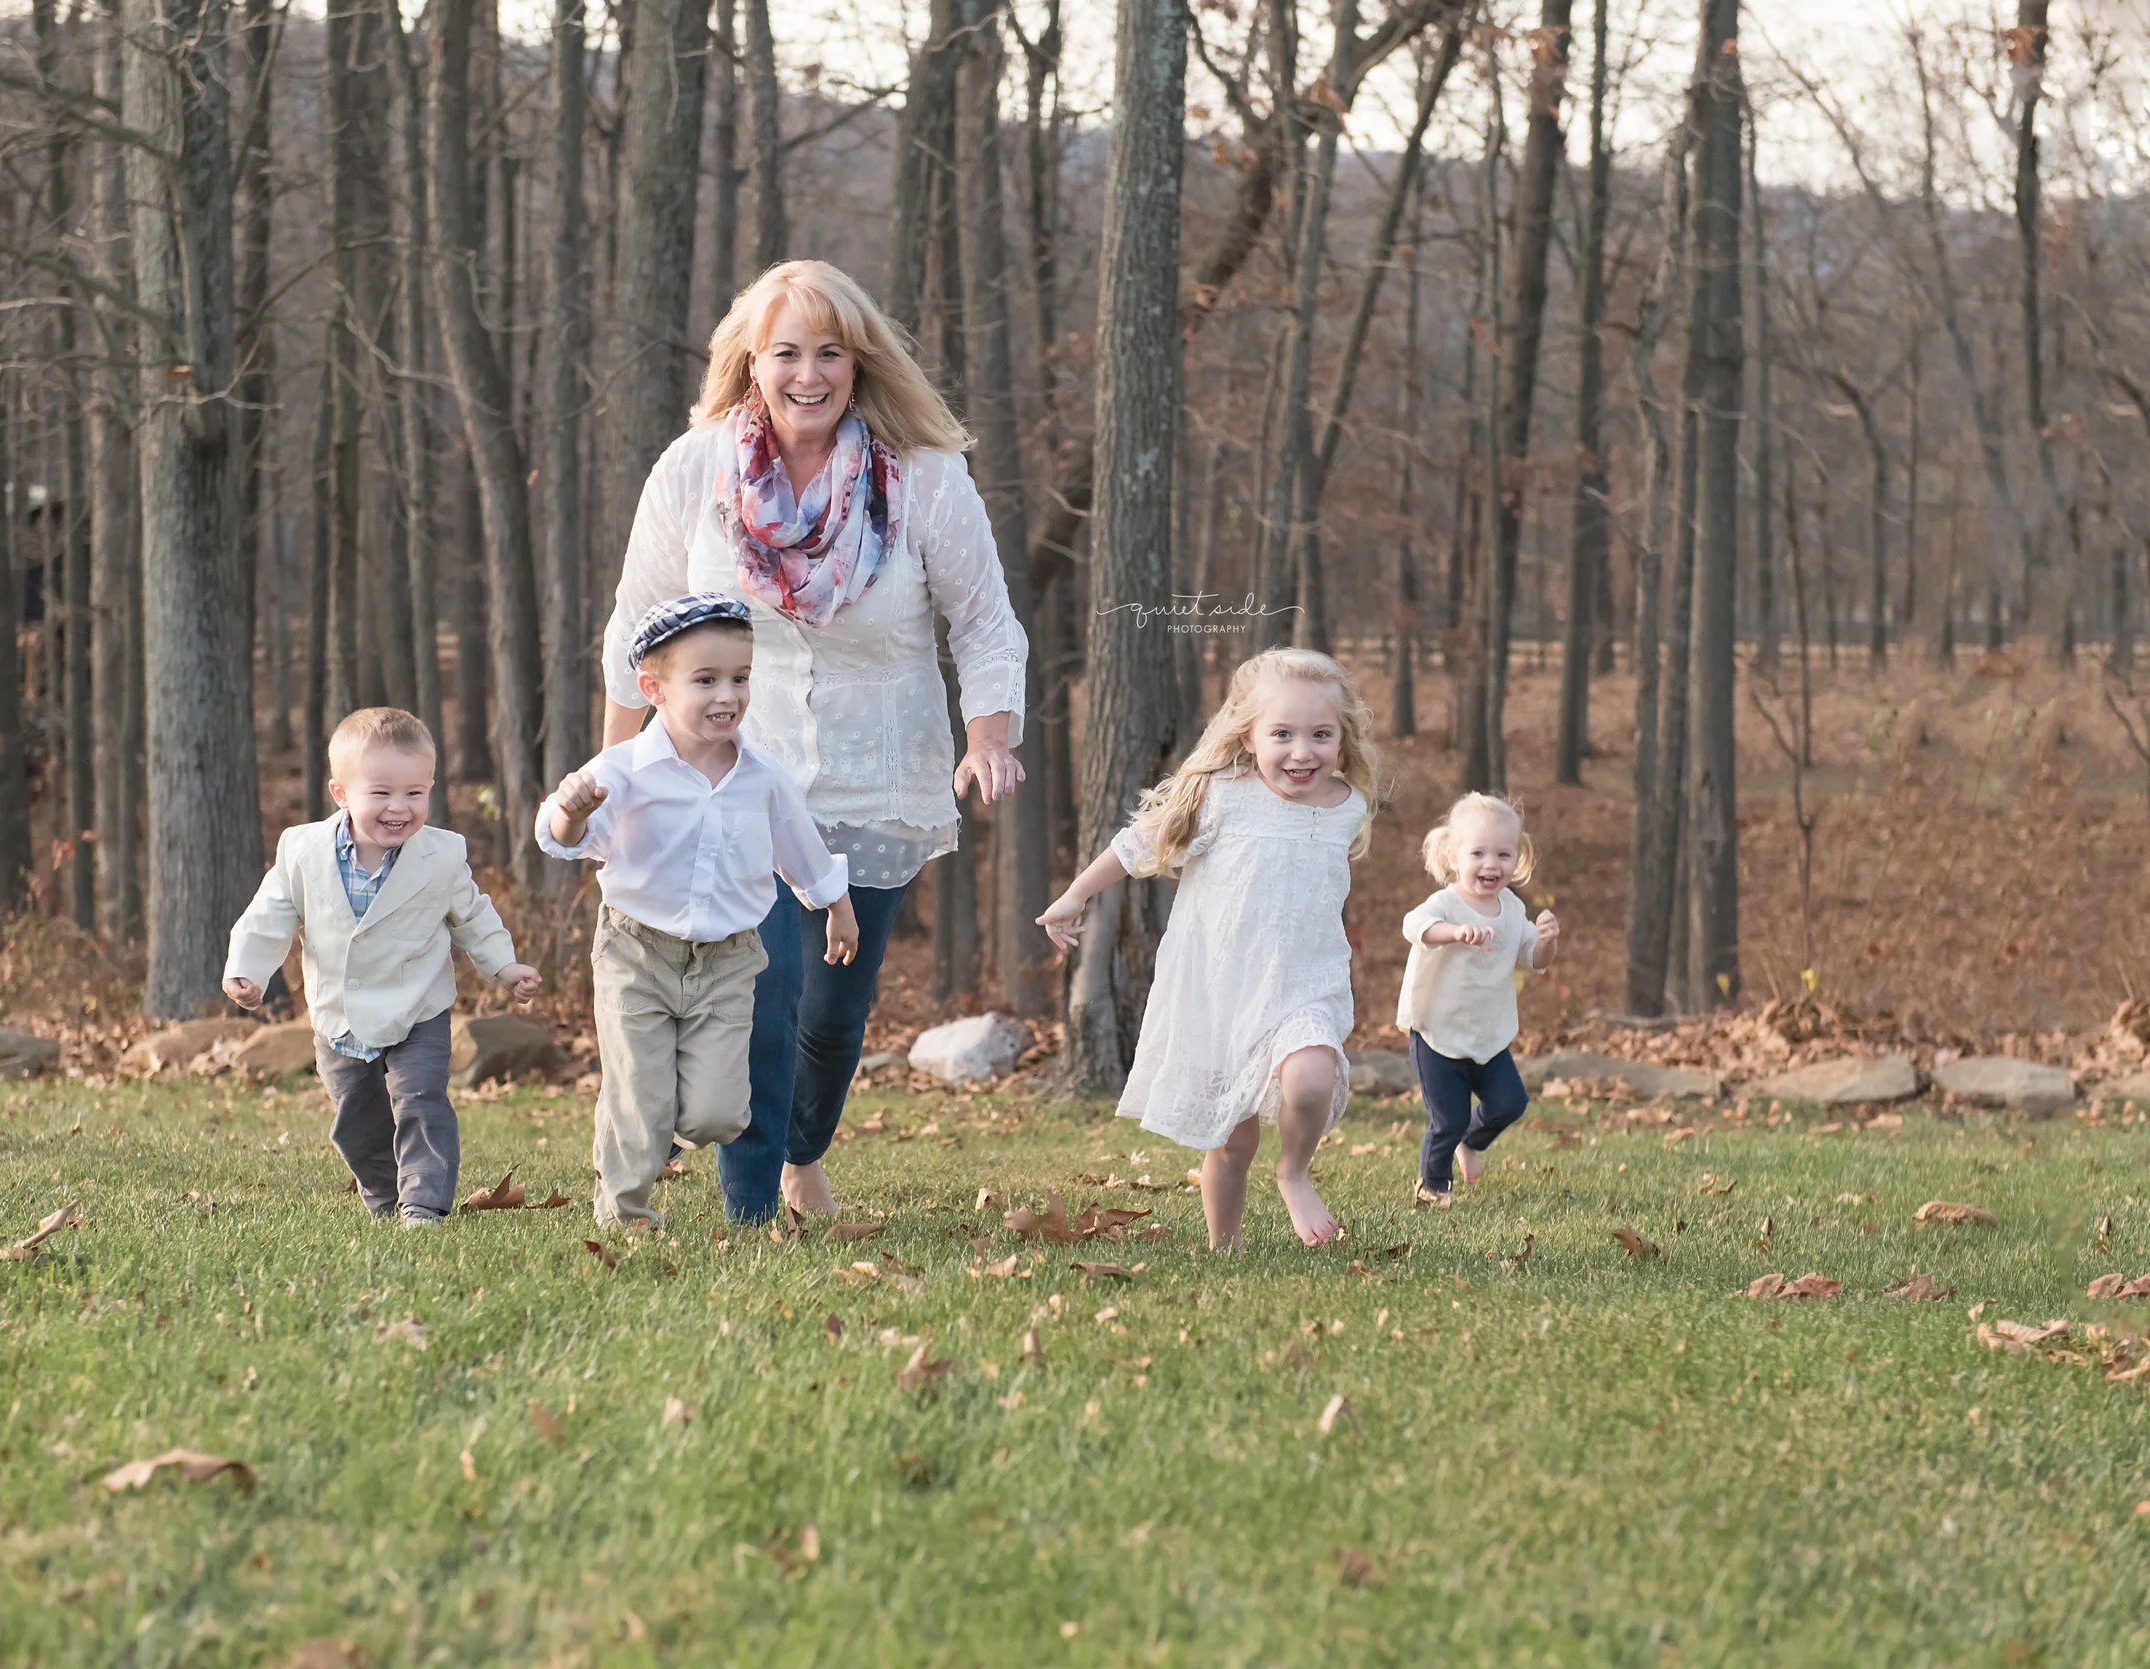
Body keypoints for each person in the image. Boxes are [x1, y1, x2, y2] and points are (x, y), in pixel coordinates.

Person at [597, 259, 1028, 1225]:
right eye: (786, 352)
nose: (808, 374)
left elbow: (986, 624)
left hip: (877, 772)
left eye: (830, 352)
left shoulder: (922, 477)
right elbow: (637, 626)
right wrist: (615, 773)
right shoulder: (696, 468)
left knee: (832, 1014)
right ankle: (750, 1207)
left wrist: (988, 736)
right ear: (752, 363)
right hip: (729, 773)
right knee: (760, 994)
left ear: (858, 361)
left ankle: (801, 1150)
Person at [1038, 650, 1381, 1250]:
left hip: (1304, 982)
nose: (1302, 752)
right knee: (1232, 1140)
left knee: (1310, 1080)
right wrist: (1075, 895)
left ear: (1342, 737)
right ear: (1248, 737)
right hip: (1222, 990)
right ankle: (1225, 1246)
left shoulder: (1346, 806)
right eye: (1282, 735)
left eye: (1320, 735)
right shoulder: (1221, 797)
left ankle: (1294, 1173)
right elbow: (1137, 844)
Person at [539, 593, 860, 1228]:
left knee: (717, 1114)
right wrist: (571, 812)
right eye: (706, 679)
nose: (728, 695)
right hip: (636, 952)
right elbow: (563, 838)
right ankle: (624, 1212)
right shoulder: (624, 770)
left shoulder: (763, 778)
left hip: (728, 961)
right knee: (639, 1094)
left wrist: (838, 909)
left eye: (740, 678)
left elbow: (803, 850)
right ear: (653, 689)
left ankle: (656, 1122)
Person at [224, 707, 541, 1226]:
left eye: (415, 792)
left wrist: (504, 967)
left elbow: (473, 915)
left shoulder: (441, 855)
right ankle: (386, 1196)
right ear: (341, 793)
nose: (399, 807)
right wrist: (248, 968)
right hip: (339, 1014)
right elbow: (271, 913)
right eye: (381, 793)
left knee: (421, 1101)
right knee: (357, 1124)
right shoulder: (302, 850)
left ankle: (424, 1203)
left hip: (418, 1008)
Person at [1397, 792, 1561, 1200]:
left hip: (1488, 1035)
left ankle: (1470, 1142)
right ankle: (1433, 1187)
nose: (1491, 864)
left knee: (1510, 1103)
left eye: (1503, 854)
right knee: (1447, 1119)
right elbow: (1414, 925)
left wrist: (1546, 941)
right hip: (1437, 1033)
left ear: (1517, 860)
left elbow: (1536, 959)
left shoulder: (1512, 909)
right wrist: (1455, 932)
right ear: (1454, 857)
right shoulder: (1447, 904)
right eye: (1478, 853)